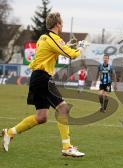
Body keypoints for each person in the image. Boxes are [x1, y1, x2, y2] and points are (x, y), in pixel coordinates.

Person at [2, 12, 86, 157]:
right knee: (63, 108)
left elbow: (53, 51)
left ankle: (9, 133)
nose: (62, 25)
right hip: (43, 78)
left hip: (37, 77)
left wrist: (67, 46)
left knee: (42, 117)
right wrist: (81, 48)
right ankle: (67, 147)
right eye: (61, 23)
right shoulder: (53, 38)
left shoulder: (43, 37)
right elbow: (72, 55)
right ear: (57, 24)